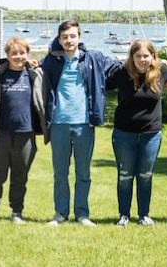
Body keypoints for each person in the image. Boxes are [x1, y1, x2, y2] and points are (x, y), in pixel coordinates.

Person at [41, 20, 118, 227]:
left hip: (84, 124)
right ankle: (60, 213)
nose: (69, 40)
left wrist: (158, 63)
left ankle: (82, 214)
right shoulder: (50, 61)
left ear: (79, 37)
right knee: (60, 174)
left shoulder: (93, 58)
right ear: (59, 39)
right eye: (64, 37)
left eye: (72, 36)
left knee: (83, 173)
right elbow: (31, 70)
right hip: (59, 124)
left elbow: (119, 68)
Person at [0, 37, 47, 226]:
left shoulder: (35, 75)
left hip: (26, 134)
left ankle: (17, 212)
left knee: (20, 176)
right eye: (14, 53)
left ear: (27, 54)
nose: (18, 56)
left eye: (22, 53)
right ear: (7, 55)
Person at [107, 39, 167, 227]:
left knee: (145, 175)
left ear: (153, 56)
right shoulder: (121, 73)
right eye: (138, 56)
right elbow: (100, 81)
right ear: (132, 57)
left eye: (146, 56)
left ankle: (144, 215)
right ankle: (124, 215)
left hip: (151, 135)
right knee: (125, 175)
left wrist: (164, 63)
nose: (142, 60)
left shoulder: (162, 71)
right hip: (124, 134)